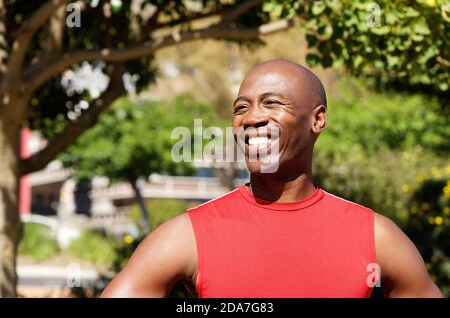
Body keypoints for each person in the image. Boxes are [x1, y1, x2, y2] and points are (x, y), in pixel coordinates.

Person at [101, 59, 443, 298]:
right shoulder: (187, 235)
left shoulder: (375, 236)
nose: (252, 118)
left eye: (272, 103)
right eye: (241, 108)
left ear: (318, 119)